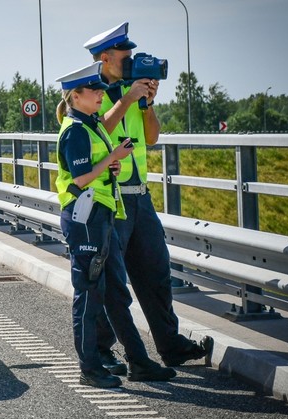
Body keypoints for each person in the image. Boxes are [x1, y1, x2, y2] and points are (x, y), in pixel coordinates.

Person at [83, 22, 214, 369]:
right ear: (106, 58)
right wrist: (126, 100)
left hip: (140, 198)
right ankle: (101, 349)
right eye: (127, 57)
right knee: (111, 282)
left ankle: (170, 346)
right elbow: (98, 132)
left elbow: (152, 137)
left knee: (157, 272)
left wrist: (146, 104)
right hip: (109, 199)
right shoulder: (89, 94)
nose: (133, 62)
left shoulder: (132, 92)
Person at [55, 61, 176, 388]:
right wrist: (112, 160)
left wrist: (108, 166)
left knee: (114, 294)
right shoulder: (76, 130)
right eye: (93, 90)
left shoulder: (90, 124)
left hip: (100, 214)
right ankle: (89, 369)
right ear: (75, 96)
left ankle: (139, 361)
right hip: (85, 219)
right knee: (89, 297)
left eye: (99, 89)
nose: (99, 94)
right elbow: (79, 178)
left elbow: (95, 168)